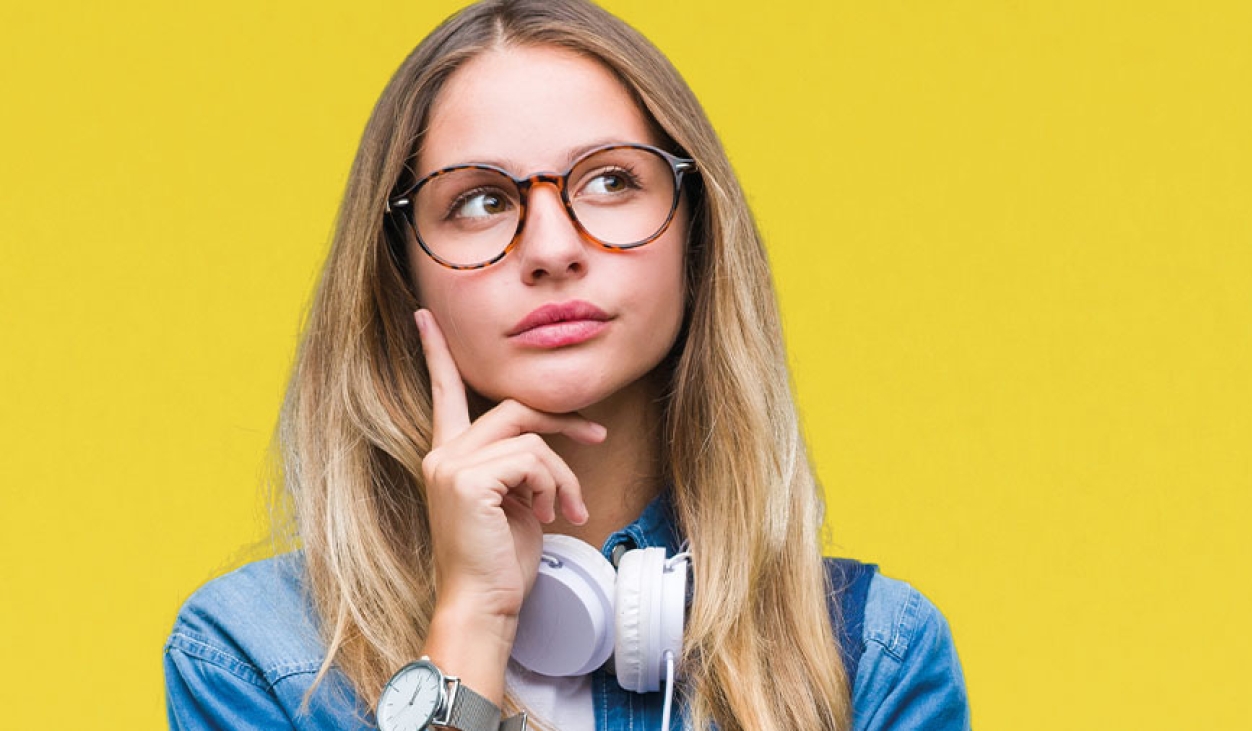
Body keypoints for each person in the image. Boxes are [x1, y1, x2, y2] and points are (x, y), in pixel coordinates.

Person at [163, 1, 970, 729]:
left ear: (697, 232)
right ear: (398, 268)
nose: (551, 249)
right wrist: (470, 626)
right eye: (480, 199)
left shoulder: (874, 659)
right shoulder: (251, 656)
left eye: (613, 180)